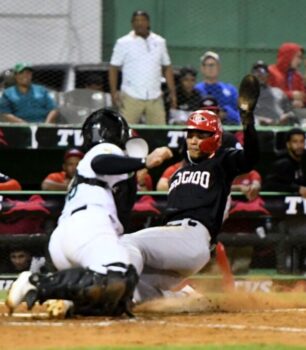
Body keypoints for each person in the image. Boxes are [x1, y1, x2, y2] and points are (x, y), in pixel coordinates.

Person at [6, 108, 173, 317]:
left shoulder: (99, 169)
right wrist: (144, 162)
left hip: (68, 238)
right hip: (88, 227)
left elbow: (122, 208)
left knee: (118, 297)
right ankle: (36, 283)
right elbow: (101, 162)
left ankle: (68, 302)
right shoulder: (104, 150)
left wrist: (134, 171)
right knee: (117, 276)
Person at [120, 75, 260, 302]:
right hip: (174, 242)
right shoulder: (179, 170)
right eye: (190, 135)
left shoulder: (222, 162)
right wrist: (160, 154)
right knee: (135, 286)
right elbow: (177, 151)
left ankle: (118, 295)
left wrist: (248, 120)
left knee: (125, 243)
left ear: (215, 138)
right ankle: (185, 298)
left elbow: (251, 158)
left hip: (193, 236)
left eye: (201, 135)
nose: (194, 140)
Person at [109, 10, 177, 125]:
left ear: (148, 23)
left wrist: (172, 93)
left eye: (142, 20)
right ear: (132, 24)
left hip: (155, 96)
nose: (139, 23)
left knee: (159, 134)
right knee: (126, 132)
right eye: (136, 20)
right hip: (131, 96)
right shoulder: (123, 43)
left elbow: (167, 67)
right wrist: (113, 92)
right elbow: (113, 68)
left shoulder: (160, 42)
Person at [263, 128, 306, 273]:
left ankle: (299, 275)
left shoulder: (303, 162)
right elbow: (269, 185)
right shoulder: (282, 163)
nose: (299, 145)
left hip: (301, 214)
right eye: (295, 142)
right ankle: (283, 280)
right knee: (284, 248)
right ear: (288, 144)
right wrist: (295, 188)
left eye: (301, 141)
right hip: (282, 214)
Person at [195, 51, 240, 125]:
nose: (210, 68)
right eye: (206, 65)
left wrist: (226, 113)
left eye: (212, 65)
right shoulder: (196, 90)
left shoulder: (231, 90)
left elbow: (240, 115)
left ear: (219, 67)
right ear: (202, 68)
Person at [251, 60, 296, 126]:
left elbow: (289, 112)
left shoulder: (278, 92)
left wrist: (286, 116)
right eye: (256, 72)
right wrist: (259, 120)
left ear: (268, 75)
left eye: (263, 72)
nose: (259, 74)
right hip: (257, 128)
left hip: (279, 126)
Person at [268, 43, 306, 111]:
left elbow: (303, 97)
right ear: (288, 56)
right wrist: (290, 95)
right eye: (298, 57)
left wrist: (302, 102)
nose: (300, 61)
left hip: (295, 113)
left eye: (301, 58)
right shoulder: (271, 72)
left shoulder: (298, 76)